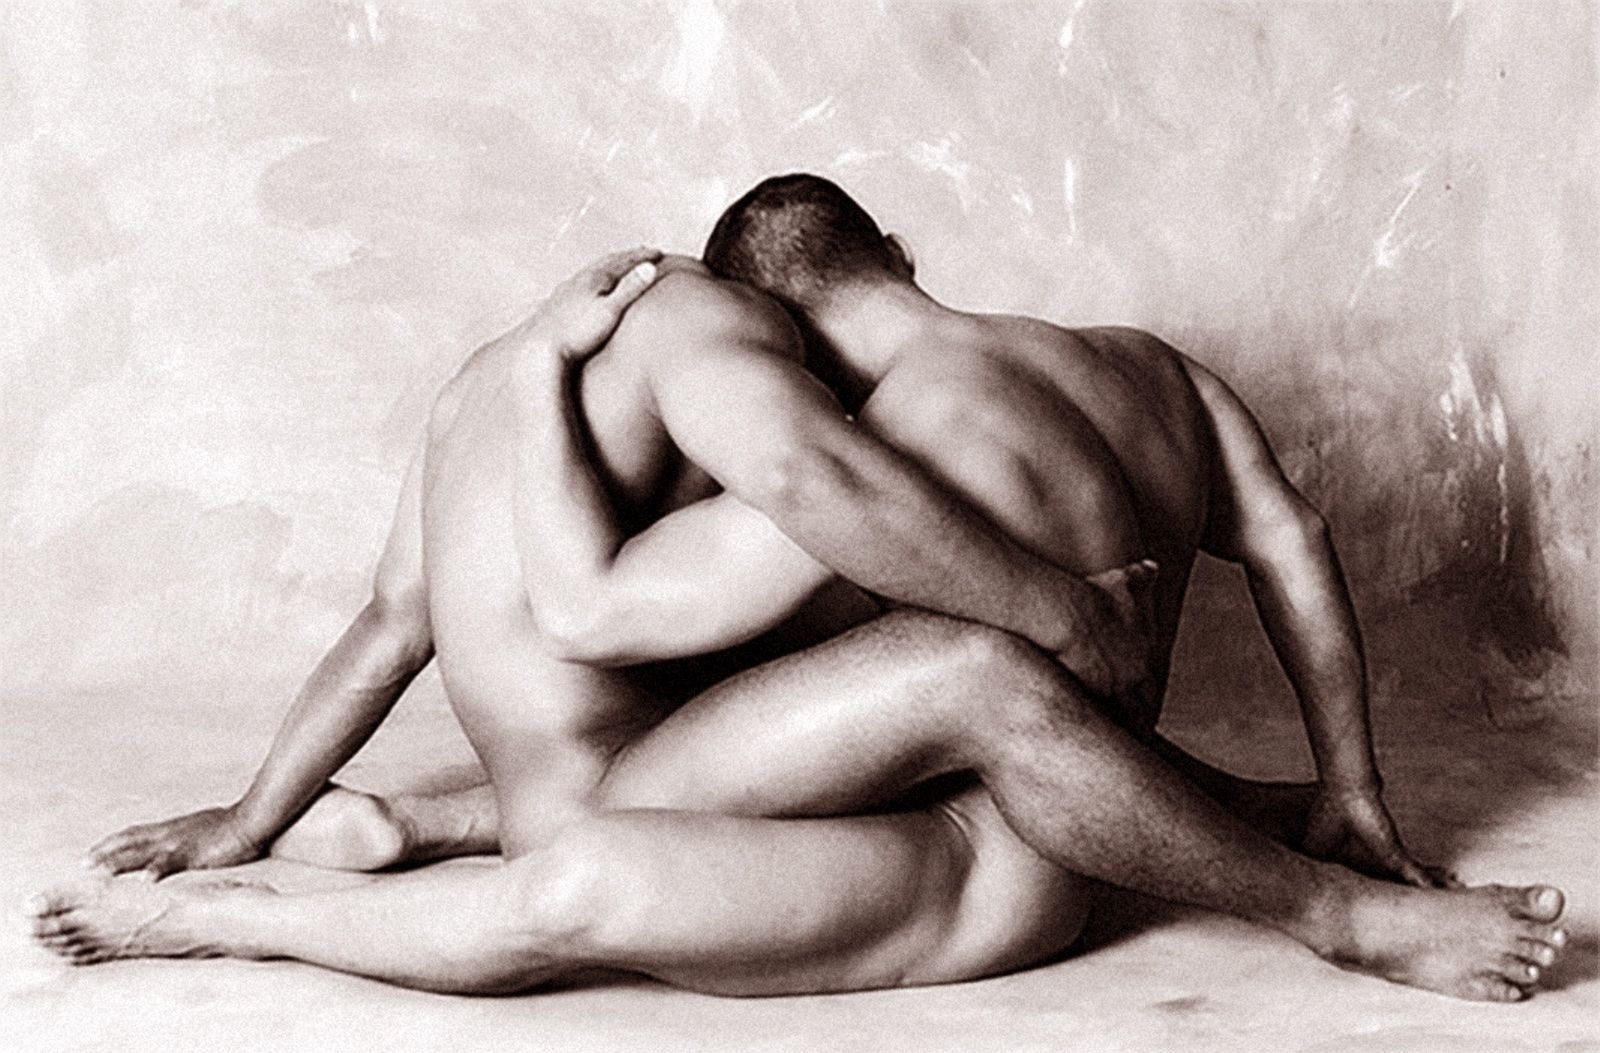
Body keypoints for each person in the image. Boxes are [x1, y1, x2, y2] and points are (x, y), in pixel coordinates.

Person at [31, 177, 1566, 1004]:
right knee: (959, 681)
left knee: (944, 684)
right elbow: (1290, 540)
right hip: (824, 806)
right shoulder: (1127, 368)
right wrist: (1342, 773)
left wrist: (250, 811)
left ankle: (1327, 896)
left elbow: (438, 623)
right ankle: (1326, 875)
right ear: (889, 253)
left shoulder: (493, 398)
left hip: (807, 809)